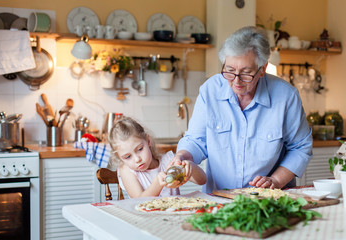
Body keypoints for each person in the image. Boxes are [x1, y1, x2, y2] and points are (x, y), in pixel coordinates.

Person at [173, 26, 313, 193]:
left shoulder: (286, 96)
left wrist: (275, 180)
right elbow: (196, 140)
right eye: (230, 70)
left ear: (262, 69)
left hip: (268, 199)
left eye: (246, 73)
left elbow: (301, 147)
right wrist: (182, 156)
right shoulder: (210, 91)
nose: (236, 81)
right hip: (218, 198)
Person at [108, 116, 207, 198]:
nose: (137, 159)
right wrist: (157, 184)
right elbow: (138, 200)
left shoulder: (168, 161)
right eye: (128, 157)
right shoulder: (127, 170)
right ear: (120, 158)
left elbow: (202, 180)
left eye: (140, 149)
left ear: (148, 141)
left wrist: (190, 167)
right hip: (145, 220)